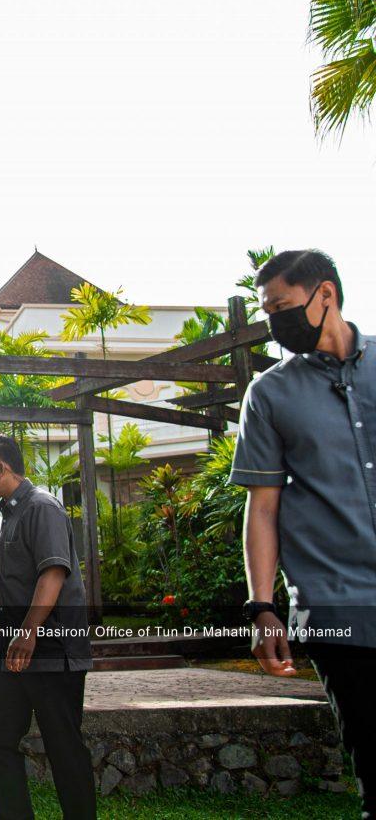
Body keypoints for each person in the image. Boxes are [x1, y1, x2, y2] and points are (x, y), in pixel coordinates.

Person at [232, 250, 376, 817]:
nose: (276, 323)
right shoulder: (270, 394)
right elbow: (262, 509)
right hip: (339, 605)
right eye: (268, 312)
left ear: (327, 295)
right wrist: (261, 607)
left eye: (283, 307)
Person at [0, 434, 95, 820]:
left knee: (64, 748)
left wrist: (28, 633)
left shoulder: (42, 508)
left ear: (1, 468)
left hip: (51, 645)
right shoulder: (8, 515)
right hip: (10, 642)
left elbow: (53, 573)